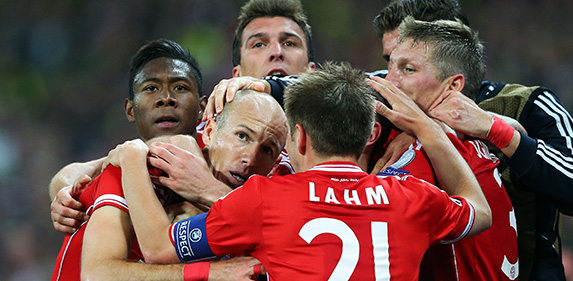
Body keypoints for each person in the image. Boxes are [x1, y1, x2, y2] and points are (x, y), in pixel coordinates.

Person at [106, 61, 491, 280]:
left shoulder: (264, 198)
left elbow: (159, 248)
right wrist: (427, 129)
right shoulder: (411, 197)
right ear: (366, 137)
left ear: (300, 138)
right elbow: (480, 210)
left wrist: (131, 157)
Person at [373, 1, 573, 280]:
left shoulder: (528, 104)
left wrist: (498, 131)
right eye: (389, 61)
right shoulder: (379, 100)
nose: (390, 79)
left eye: (408, 65)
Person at [49, 0, 314, 233]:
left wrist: (207, 190)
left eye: (289, 42)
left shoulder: (334, 138)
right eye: (259, 43)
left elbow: (304, 231)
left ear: (311, 70)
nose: (276, 51)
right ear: (237, 73)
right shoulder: (202, 136)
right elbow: (93, 169)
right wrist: (66, 196)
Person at [51, 39, 285, 280]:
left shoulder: (257, 186)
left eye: (180, 88)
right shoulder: (133, 164)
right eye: (243, 136)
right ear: (210, 129)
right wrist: (65, 189)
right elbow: (99, 273)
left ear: (203, 109)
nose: (250, 157)